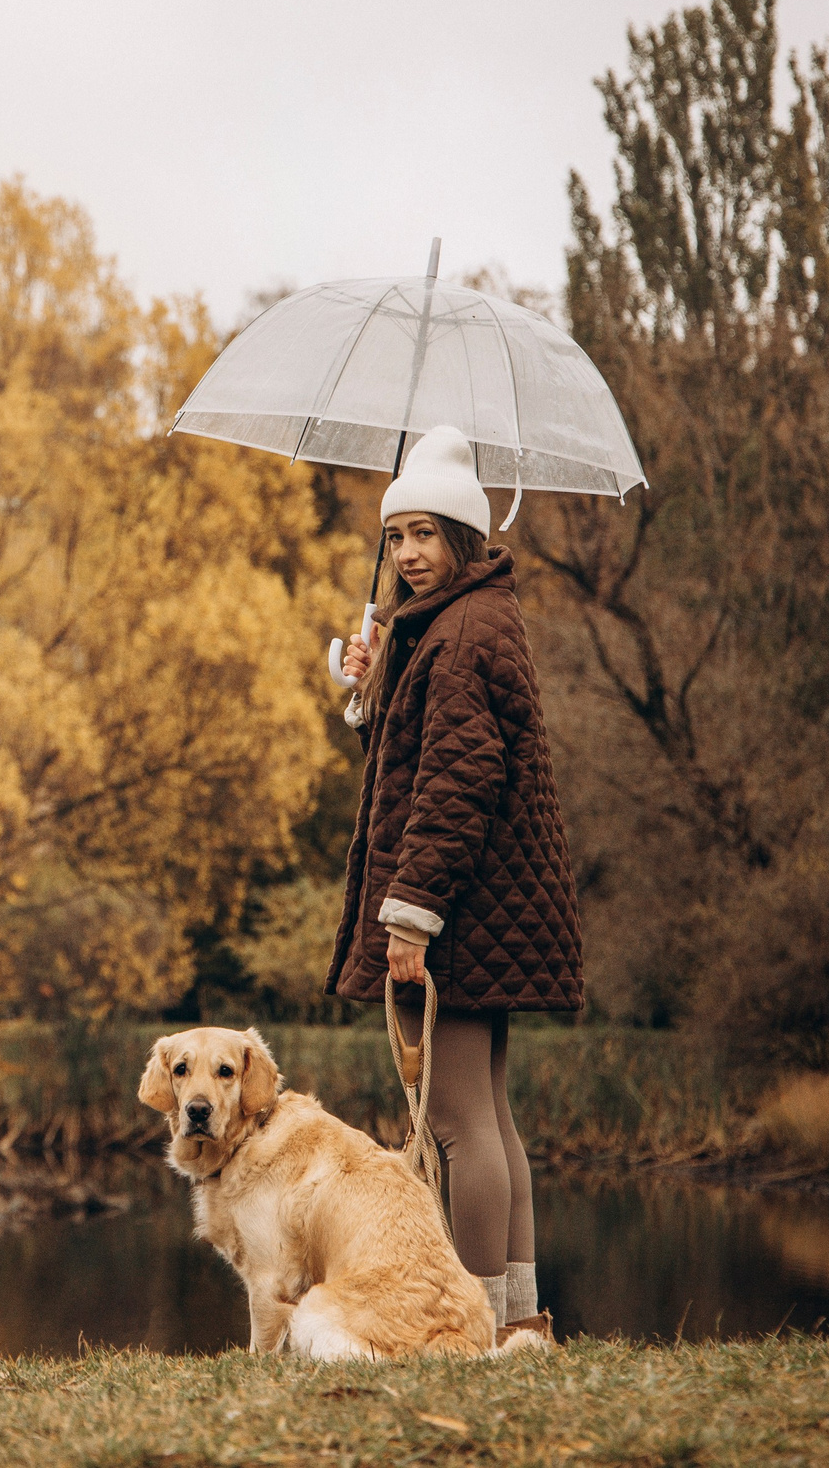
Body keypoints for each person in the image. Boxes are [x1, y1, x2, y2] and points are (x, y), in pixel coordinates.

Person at [327, 424, 581, 1345]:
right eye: (397, 537)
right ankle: (517, 1324)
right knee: (488, 1117)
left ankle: (470, 1327)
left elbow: (456, 786)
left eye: (427, 534)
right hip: (488, 908)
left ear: (464, 538)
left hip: (465, 911)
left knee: (455, 1122)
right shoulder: (457, 625)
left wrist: (413, 918)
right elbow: (406, 765)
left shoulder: (466, 631)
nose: (409, 554)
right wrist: (370, 688)